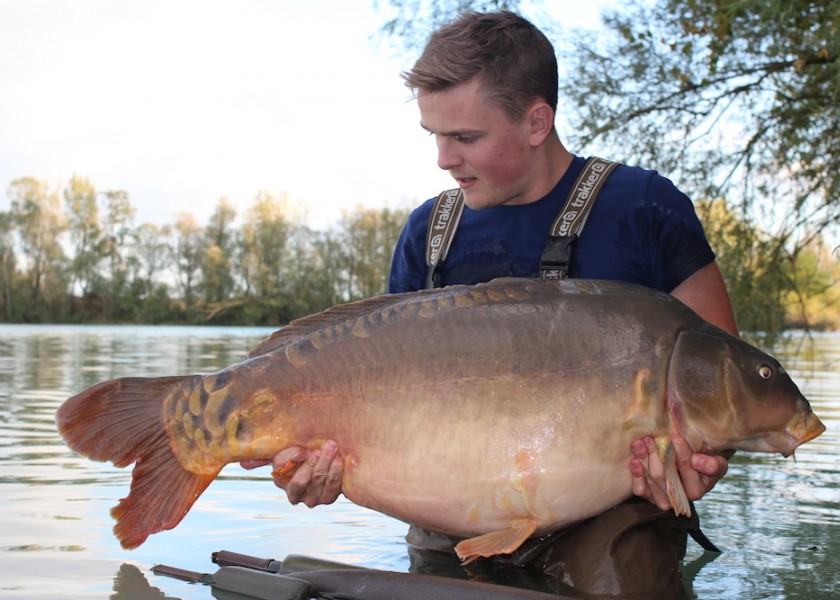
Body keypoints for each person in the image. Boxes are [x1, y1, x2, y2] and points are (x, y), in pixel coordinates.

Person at [243, 10, 738, 597]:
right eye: (434, 135)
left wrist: (699, 463)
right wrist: (316, 470)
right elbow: (367, 396)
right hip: (448, 520)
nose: (443, 159)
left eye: (466, 138)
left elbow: (724, 381)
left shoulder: (644, 209)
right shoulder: (428, 231)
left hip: (608, 516)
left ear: (536, 121)